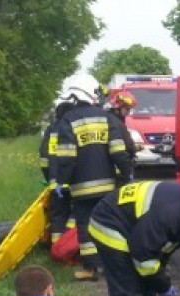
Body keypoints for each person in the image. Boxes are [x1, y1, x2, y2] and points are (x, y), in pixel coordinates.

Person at [56, 74, 135, 282]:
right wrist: (127, 174)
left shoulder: (68, 120)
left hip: (81, 188)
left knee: (85, 226)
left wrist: (60, 181)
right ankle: (115, 265)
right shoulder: (107, 118)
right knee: (109, 223)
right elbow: (118, 152)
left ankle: (91, 270)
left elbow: (67, 156)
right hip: (107, 185)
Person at [39, 100, 75, 244]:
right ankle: (69, 244)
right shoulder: (73, 128)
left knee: (58, 215)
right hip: (73, 181)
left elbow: (44, 157)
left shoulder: (50, 130)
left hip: (55, 183)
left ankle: (56, 246)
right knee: (76, 213)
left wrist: (49, 178)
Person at [107, 91, 138, 162]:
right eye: (127, 109)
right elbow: (129, 145)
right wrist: (133, 151)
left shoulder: (108, 118)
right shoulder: (117, 123)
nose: (128, 112)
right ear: (118, 108)